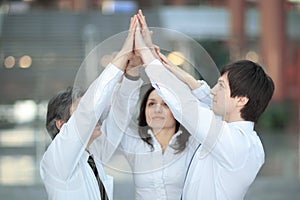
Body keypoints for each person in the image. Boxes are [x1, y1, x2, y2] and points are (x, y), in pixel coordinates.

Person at [133, 10, 275, 200]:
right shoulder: (246, 140)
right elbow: (208, 103)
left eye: (221, 86)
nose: (213, 90)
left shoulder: (236, 144)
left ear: (242, 100)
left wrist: (145, 54)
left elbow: (188, 107)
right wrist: (179, 73)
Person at [40, 16, 140, 200]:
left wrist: (132, 72)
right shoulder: (57, 158)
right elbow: (88, 110)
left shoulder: (92, 154)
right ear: (62, 125)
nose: (94, 117)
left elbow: (119, 116)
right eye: (80, 113)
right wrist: (124, 53)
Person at [103, 10, 197, 200]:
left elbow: (197, 103)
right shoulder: (134, 144)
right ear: (144, 110)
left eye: (165, 105)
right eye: (151, 104)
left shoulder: (193, 143)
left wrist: (149, 54)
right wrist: (132, 72)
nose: (157, 109)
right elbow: (119, 113)